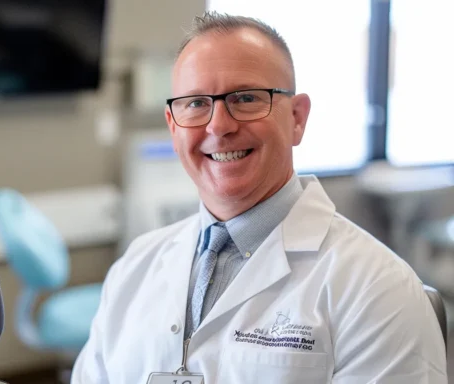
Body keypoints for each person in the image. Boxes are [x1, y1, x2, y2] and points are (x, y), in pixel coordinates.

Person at [71, 12, 447, 384]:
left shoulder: (378, 289)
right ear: (173, 126)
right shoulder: (133, 268)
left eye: (246, 98)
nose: (218, 125)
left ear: (297, 118)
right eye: (196, 103)